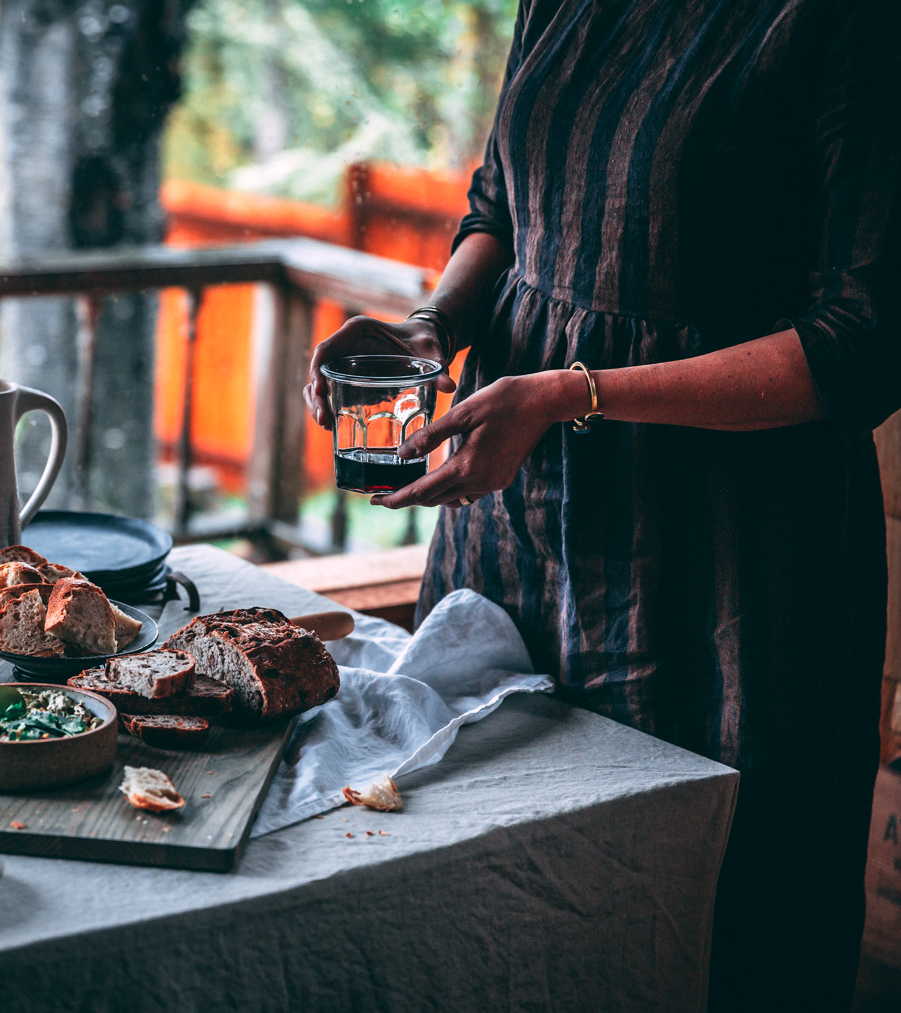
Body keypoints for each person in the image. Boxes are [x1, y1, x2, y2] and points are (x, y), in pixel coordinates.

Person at [304, 2, 900, 1009]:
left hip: (726, 572)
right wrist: (425, 326)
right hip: (516, 539)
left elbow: (859, 345)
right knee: (480, 904)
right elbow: (498, 202)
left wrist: (570, 392)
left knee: (712, 922)